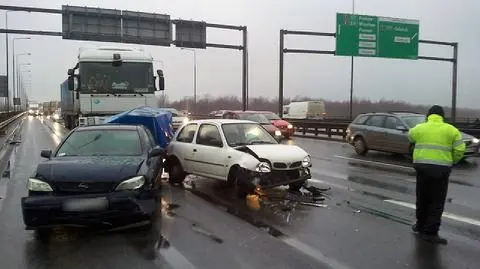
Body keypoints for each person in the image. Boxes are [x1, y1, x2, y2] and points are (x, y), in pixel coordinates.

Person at [408, 105, 465, 244]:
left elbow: (410, 136)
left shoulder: (420, 128)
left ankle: (420, 226)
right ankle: (430, 232)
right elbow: (460, 148)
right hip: (441, 170)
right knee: (436, 201)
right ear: (442, 116)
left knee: (422, 198)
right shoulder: (451, 130)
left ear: (428, 115)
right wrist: (452, 161)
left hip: (422, 168)